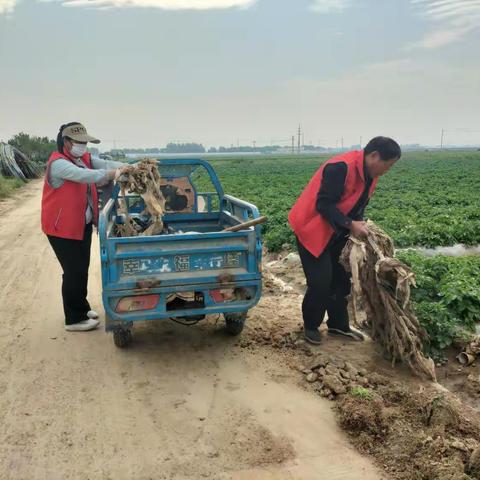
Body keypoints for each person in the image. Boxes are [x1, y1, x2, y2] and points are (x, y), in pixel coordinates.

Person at [288, 136, 401, 345]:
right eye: (388, 164)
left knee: (342, 279)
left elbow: (358, 204)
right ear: (374, 155)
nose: (388, 170)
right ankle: (311, 326)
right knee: (321, 282)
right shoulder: (340, 168)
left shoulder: (371, 174)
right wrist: (351, 224)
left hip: (337, 230)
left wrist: (358, 223)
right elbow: (323, 204)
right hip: (312, 228)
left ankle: (338, 325)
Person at [41, 122, 125, 332]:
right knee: (73, 271)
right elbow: (84, 176)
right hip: (61, 228)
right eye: (78, 142)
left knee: (82, 269)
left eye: (85, 142)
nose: (83, 146)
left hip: (81, 224)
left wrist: (129, 166)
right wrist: (111, 175)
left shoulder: (84, 159)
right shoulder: (59, 164)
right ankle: (74, 318)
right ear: (66, 142)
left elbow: (104, 164)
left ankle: (82, 307)